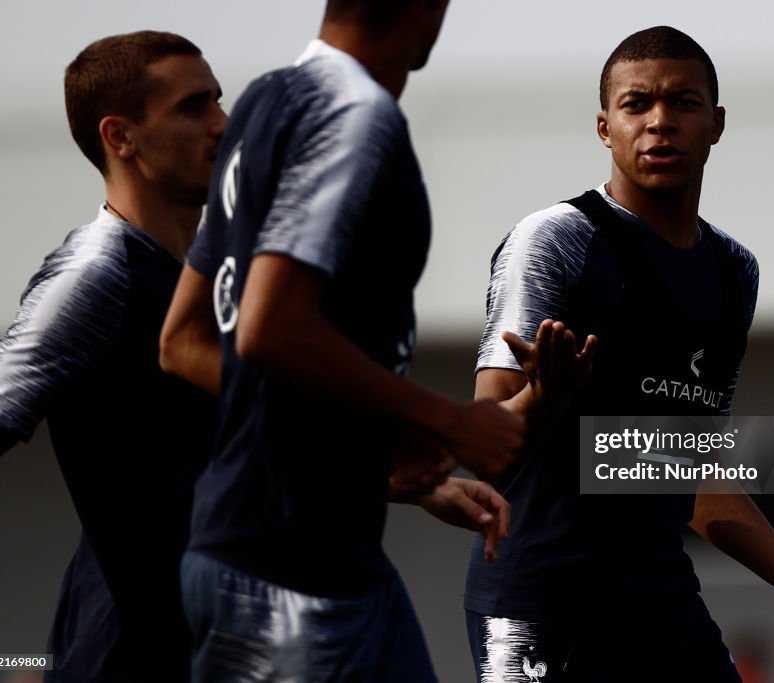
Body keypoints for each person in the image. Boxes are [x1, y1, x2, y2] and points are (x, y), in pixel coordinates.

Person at [467, 26, 774, 681]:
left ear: (717, 123)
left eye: (682, 102)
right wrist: (544, 397)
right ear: (603, 126)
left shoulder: (733, 270)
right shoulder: (555, 241)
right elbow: (484, 438)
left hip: (659, 599)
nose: (659, 122)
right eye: (636, 104)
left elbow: (673, 463)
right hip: (541, 600)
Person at [157, 1, 524, 680]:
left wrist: (379, 434)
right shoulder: (353, 114)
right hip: (286, 575)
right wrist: (450, 419)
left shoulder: (268, 99)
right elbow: (269, 328)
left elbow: (185, 341)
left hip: (323, 558)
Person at [0, 31, 227, 682]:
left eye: (220, 102)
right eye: (194, 108)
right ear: (120, 137)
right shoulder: (97, 271)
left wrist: (415, 482)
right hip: (129, 650)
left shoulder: (218, 276)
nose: (224, 124)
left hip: (222, 639)